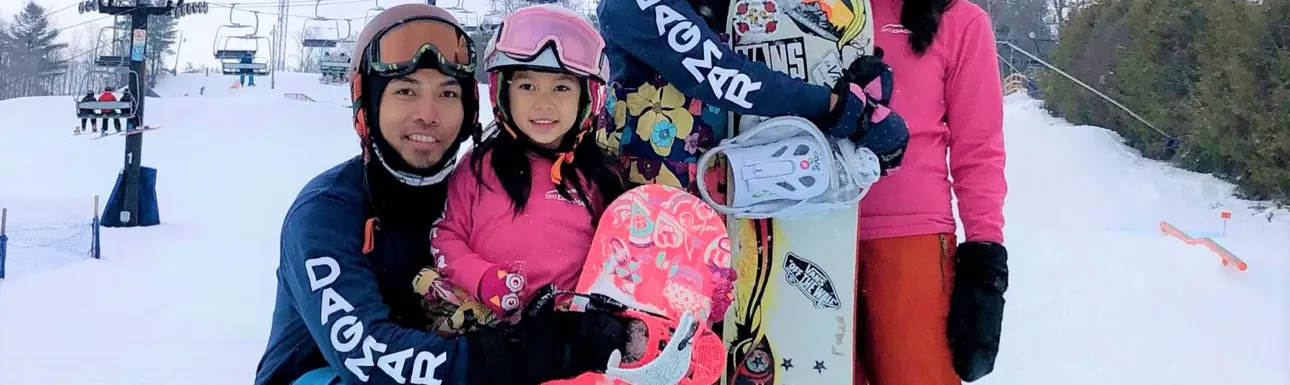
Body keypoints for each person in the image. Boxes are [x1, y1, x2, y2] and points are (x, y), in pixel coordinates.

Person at [253, 5, 639, 385]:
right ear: (366, 104)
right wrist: (543, 348)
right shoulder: (326, 214)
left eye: (447, 94)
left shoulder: (470, 191)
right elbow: (370, 360)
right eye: (406, 91)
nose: (428, 113)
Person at [414, 3, 628, 331]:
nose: (544, 102)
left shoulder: (601, 178)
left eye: (561, 87)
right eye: (527, 86)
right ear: (504, 93)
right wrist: (482, 278)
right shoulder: (478, 168)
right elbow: (445, 235)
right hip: (482, 327)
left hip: (564, 336)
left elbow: (620, 259)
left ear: (587, 97)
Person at [843, 1, 1009, 385]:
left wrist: (984, 260)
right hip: (801, 231)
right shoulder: (799, 9)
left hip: (909, 239)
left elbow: (979, 147)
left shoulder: (960, 20)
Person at [595, 0, 910, 191]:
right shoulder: (636, 5)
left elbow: (767, 53)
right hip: (655, 204)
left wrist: (844, 69)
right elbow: (718, 74)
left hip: (734, 188)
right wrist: (831, 104)